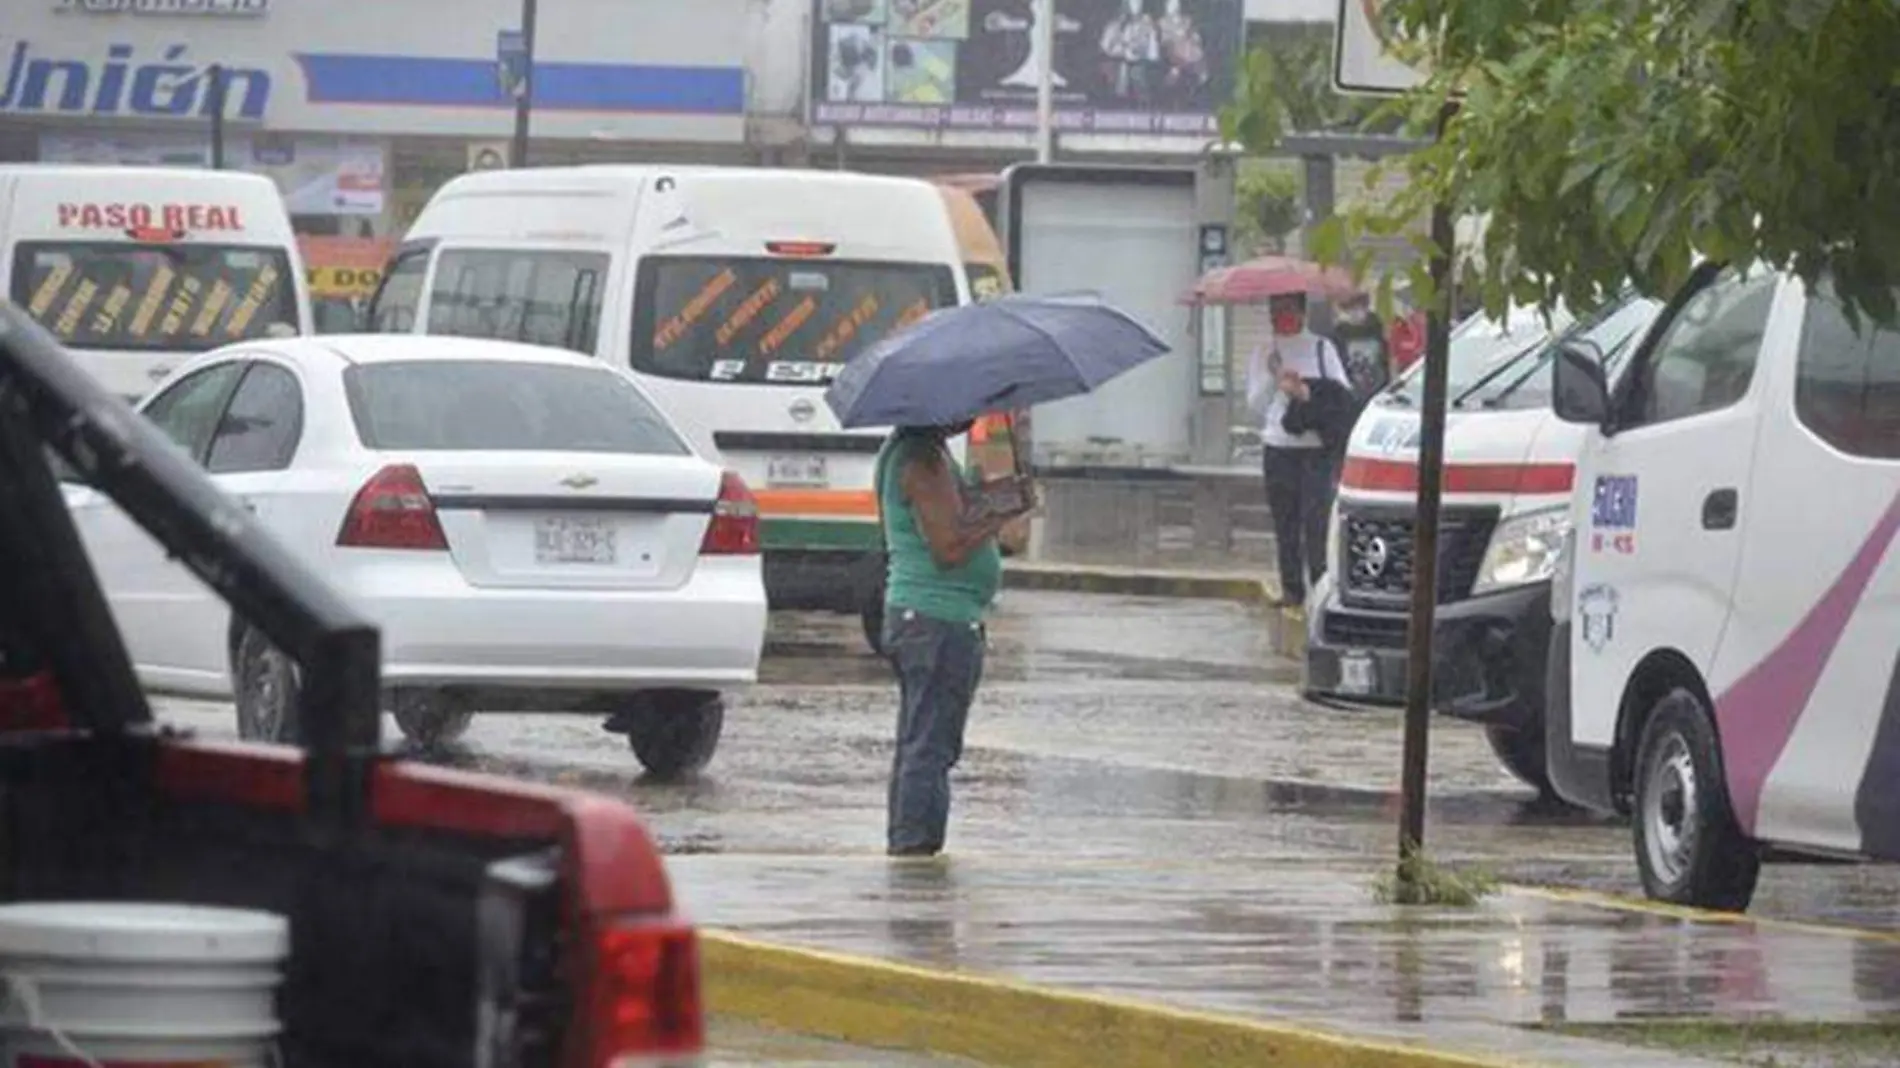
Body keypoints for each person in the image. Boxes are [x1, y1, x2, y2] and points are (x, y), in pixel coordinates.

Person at [875, 421, 1033, 856]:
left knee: (921, 741)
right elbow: (948, 547)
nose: (969, 415)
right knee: (929, 747)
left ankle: (910, 844)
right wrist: (1001, 515)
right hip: (936, 619)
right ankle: (915, 849)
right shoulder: (921, 460)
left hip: (932, 618)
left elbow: (954, 516)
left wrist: (997, 497)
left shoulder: (929, 452)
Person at [1247, 292, 1352, 609]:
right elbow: (1255, 406)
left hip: (1315, 449)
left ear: (1302, 312)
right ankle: (1292, 590)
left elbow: (1341, 396)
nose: (1281, 316)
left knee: (1316, 521)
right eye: (1275, 310)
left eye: (1288, 310)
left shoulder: (1322, 348)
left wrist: (1305, 392)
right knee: (1286, 523)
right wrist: (1272, 378)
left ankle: (1320, 587)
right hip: (1278, 447)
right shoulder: (1265, 351)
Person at [1330, 291, 1392, 406]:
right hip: (1352, 395)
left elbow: (1386, 359)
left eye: (1358, 307)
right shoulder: (1339, 334)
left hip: (1379, 392)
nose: (1355, 313)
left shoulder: (1376, 327)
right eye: (1349, 309)